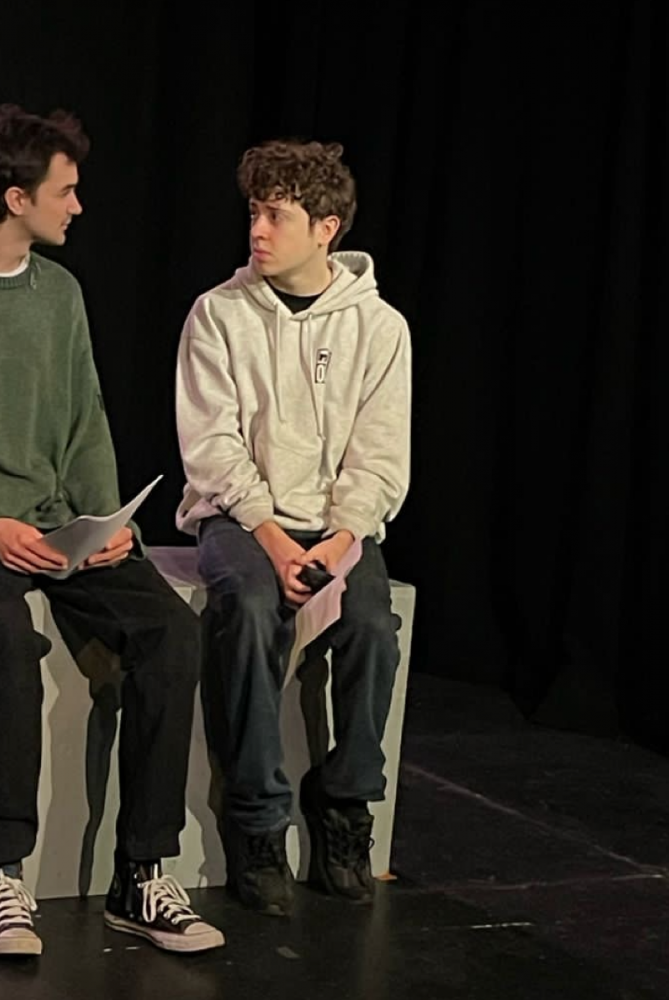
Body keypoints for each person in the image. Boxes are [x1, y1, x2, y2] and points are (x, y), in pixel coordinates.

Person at [0, 105, 223, 957]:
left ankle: (142, 873)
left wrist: (108, 528)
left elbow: (83, 424)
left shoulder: (60, 293)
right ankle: (2, 873)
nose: (77, 206)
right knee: (0, 633)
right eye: (65, 190)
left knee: (169, 632)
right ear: (14, 195)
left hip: (51, 523)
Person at [175, 138, 411, 916]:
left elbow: (379, 459)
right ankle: (257, 821)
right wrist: (272, 539)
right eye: (253, 211)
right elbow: (211, 446)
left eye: (277, 215)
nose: (258, 230)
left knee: (372, 627)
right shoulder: (219, 314)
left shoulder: (379, 330)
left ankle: (345, 807)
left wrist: (342, 542)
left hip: (336, 528)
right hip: (243, 518)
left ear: (326, 227)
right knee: (244, 610)